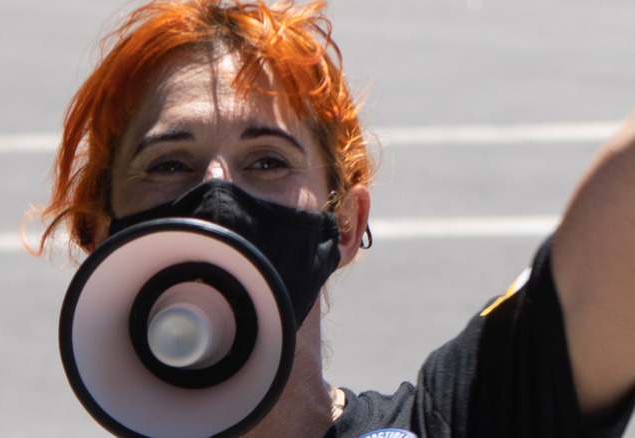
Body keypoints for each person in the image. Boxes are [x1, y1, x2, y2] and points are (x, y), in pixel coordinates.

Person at [33, 0, 635, 436]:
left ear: (344, 224)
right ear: (101, 230)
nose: (217, 190)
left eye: (267, 160)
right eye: (168, 164)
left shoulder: (454, 423)